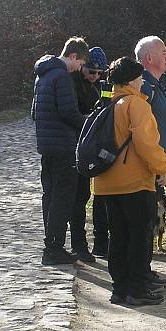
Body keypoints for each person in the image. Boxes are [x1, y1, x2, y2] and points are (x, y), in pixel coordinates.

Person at [93, 57, 166, 306]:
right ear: (131, 80)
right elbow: (146, 143)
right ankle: (137, 289)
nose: (141, 81)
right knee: (138, 236)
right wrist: (162, 168)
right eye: (139, 77)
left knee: (118, 236)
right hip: (135, 182)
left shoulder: (108, 103)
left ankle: (120, 288)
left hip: (107, 182)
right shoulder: (136, 105)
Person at [32, 37, 89, 265]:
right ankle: (54, 247)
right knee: (63, 197)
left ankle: (51, 243)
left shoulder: (42, 75)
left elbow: (34, 111)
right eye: (80, 63)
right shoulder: (62, 76)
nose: (80, 68)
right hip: (64, 145)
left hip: (46, 145)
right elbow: (68, 112)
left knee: (50, 194)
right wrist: (87, 123)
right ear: (73, 56)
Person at [135, 36, 166, 285]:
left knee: (150, 217)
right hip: (148, 167)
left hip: (158, 165)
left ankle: (145, 270)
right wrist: (156, 165)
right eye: (163, 51)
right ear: (149, 58)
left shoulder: (159, 84)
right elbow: (141, 132)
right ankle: (142, 274)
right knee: (144, 220)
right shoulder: (144, 88)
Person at [69, 46, 107, 262]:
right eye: (91, 71)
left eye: (99, 73)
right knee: (79, 197)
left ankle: (95, 242)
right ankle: (78, 244)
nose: (95, 76)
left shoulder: (95, 86)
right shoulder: (73, 85)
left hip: (91, 147)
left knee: (90, 196)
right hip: (77, 146)